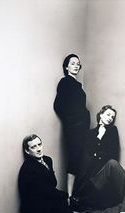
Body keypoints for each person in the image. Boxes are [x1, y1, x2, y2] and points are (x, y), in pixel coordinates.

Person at [18, 134, 115, 213]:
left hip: (48, 200)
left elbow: (51, 186)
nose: (39, 149)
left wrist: (64, 198)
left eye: (39, 144)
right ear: (27, 151)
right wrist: (65, 196)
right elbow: (44, 192)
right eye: (33, 147)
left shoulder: (47, 160)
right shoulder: (29, 168)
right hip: (34, 208)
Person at [53, 54, 90, 196]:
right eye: (73, 63)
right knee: (74, 159)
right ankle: (69, 197)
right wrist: (73, 122)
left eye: (78, 64)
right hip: (74, 129)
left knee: (80, 159)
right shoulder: (65, 82)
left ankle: (75, 195)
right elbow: (58, 106)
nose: (76, 66)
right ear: (66, 67)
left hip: (81, 129)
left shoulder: (77, 85)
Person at [73, 105, 120, 203]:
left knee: (91, 162)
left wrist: (97, 155)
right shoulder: (90, 133)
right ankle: (78, 197)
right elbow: (89, 150)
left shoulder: (113, 131)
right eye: (108, 115)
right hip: (90, 167)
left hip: (104, 165)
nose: (110, 118)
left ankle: (79, 196)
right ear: (101, 115)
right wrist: (99, 136)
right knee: (85, 160)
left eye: (112, 117)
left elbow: (114, 152)